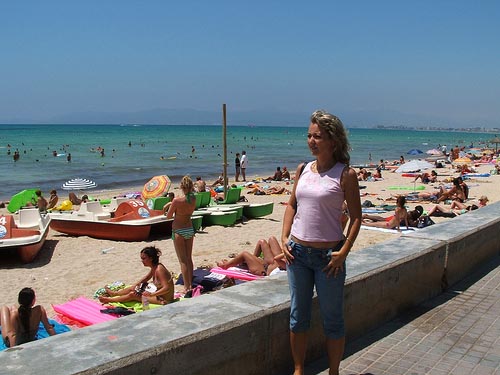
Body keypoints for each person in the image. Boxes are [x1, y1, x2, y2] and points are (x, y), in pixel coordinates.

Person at [281, 110, 362, 375]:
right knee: (297, 317)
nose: (311, 141)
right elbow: (292, 205)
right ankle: (298, 370)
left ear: (333, 141)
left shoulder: (345, 174)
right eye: (309, 135)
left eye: (318, 136)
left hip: (329, 258)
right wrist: (284, 237)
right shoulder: (303, 169)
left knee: (333, 320)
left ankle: (334, 372)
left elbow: (357, 218)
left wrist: (343, 252)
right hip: (297, 255)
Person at [98, 246, 174, 305]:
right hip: (158, 295)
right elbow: (147, 277)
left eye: (144, 258)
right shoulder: (155, 267)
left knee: (133, 295)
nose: (142, 261)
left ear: (151, 258)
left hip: (164, 300)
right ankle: (114, 294)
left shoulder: (159, 269)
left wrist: (151, 294)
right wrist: (136, 285)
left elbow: (166, 288)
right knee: (133, 288)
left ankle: (109, 300)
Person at [166, 176, 197, 295]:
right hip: (189, 228)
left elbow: (168, 216)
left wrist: (169, 205)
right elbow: (186, 202)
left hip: (179, 230)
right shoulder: (193, 199)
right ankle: (190, 283)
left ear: (181, 187)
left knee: (182, 261)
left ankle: (187, 286)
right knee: (189, 258)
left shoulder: (176, 201)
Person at [217, 236, 286, 276]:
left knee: (245, 254)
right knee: (267, 240)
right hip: (273, 264)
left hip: (266, 271)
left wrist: (285, 252)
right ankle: (251, 261)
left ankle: (226, 265)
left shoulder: (293, 265)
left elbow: (277, 259)